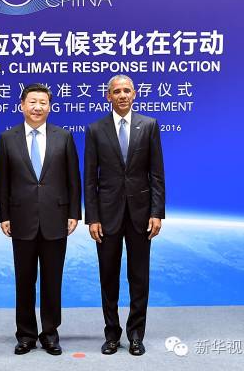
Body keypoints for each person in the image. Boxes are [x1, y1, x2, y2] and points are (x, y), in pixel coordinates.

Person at [0, 83, 81, 356]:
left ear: (50, 107)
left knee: (52, 281)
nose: (37, 107)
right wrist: (3, 215)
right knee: (24, 280)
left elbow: (73, 179)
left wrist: (74, 213)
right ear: (22, 105)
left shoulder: (63, 136)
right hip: (20, 219)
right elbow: (3, 181)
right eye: (32, 102)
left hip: (56, 218)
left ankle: (50, 334)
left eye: (43, 102)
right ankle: (25, 335)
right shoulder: (7, 138)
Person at [84, 74, 165, 356]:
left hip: (141, 216)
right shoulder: (95, 129)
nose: (122, 95)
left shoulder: (149, 125)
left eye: (126, 90)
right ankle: (111, 334)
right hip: (106, 216)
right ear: (108, 96)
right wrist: (92, 217)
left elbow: (157, 174)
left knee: (139, 277)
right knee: (108, 277)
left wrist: (157, 212)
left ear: (134, 94)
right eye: (116, 91)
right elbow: (90, 179)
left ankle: (136, 335)